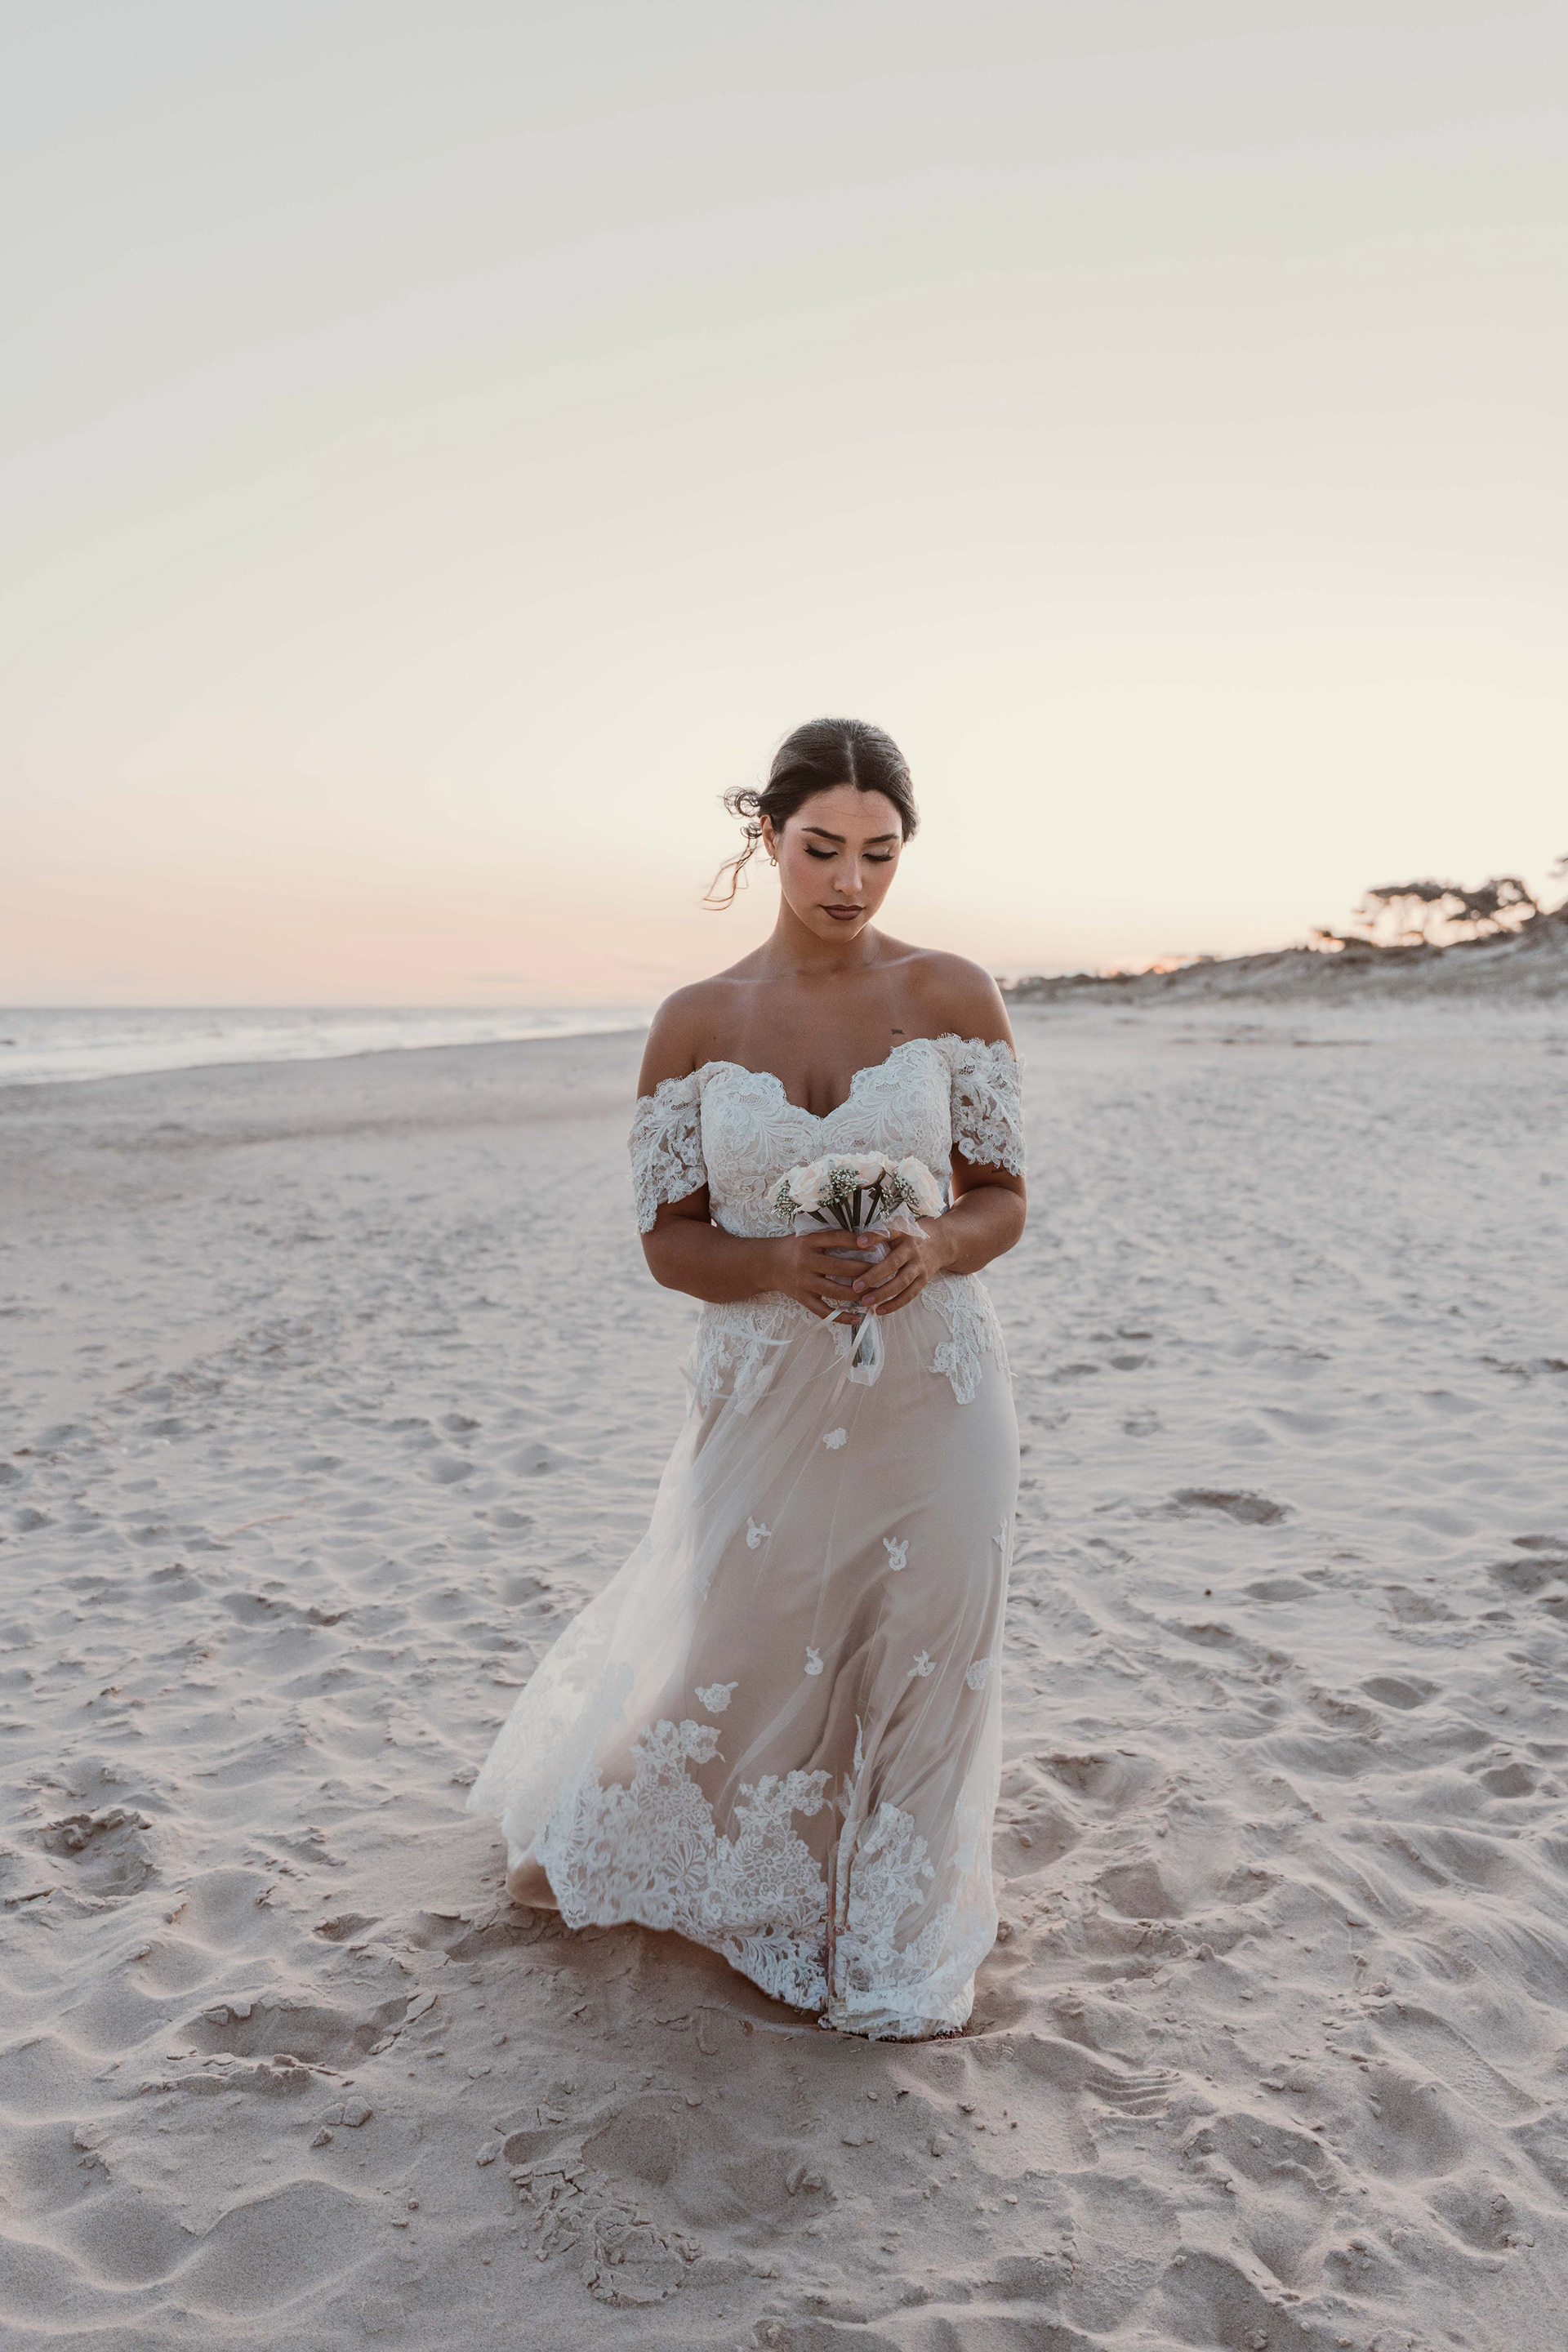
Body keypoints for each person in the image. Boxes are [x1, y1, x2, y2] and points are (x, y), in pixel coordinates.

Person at [467, 717, 1026, 2038]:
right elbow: (668, 1241)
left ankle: (888, 1914)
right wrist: (777, 1268)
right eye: (822, 848)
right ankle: (702, 1849)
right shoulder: (696, 1021)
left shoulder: (953, 994)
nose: (850, 881)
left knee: (931, 1640)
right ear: (768, 837)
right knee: (747, 1627)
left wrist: (936, 1241)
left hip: (935, 1383)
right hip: (767, 1389)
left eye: (879, 853)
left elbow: (1005, 1201)